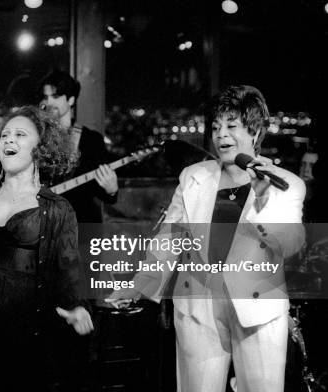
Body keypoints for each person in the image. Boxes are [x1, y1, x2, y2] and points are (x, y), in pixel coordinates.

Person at [107, 85, 305, 392]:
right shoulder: (193, 176)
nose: (221, 135)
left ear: (255, 131)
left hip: (258, 311)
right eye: (215, 127)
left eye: (231, 126)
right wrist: (141, 284)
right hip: (198, 307)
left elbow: (292, 246)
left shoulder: (285, 183)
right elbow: (171, 238)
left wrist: (264, 207)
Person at [0, 106, 93, 391]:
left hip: (26, 341)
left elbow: (69, 270)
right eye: (5, 136)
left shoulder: (57, 209)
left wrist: (78, 308)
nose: (8, 140)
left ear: (41, 147)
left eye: (20, 134)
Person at [40, 69, 118, 223]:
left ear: (71, 100)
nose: (49, 103)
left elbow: (104, 194)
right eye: (46, 97)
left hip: (80, 229)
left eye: (55, 96)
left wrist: (111, 189)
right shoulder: (38, 137)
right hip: (45, 230)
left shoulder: (91, 140)